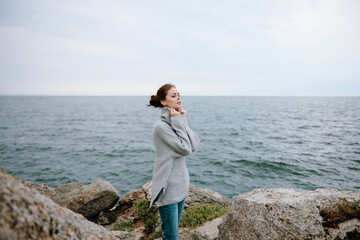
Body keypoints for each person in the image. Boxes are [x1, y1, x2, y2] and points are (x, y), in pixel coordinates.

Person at [147, 83, 200, 239]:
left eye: (179, 95)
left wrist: (183, 120)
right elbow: (186, 149)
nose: (178, 98)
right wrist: (178, 122)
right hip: (168, 189)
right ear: (163, 102)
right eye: (173, 95)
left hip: (181, 186)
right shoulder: (161, 126)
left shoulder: (175, 120)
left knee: (173, 234)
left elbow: (194, 143)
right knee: (171, 237)